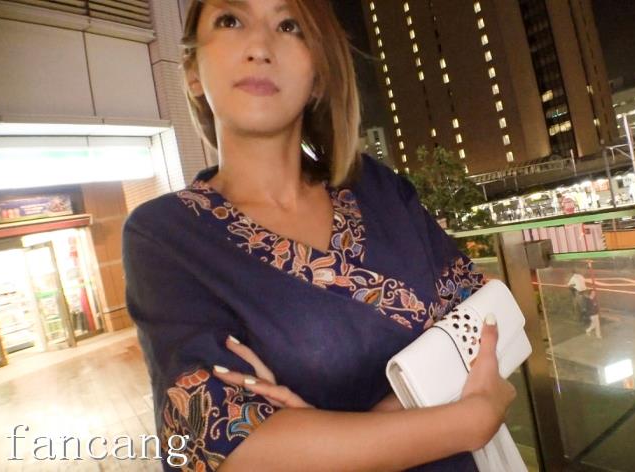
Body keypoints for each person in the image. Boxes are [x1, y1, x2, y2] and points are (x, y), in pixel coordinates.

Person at [122, 1, 515, 470]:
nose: (260, 46)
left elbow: (489, 318)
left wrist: (325, 435)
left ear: (318, 75)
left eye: (289, 26)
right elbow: (222, 447)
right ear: (192, 70)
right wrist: (467, 421)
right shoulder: (166, 234)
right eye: (231, 20)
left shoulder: (377, 188)